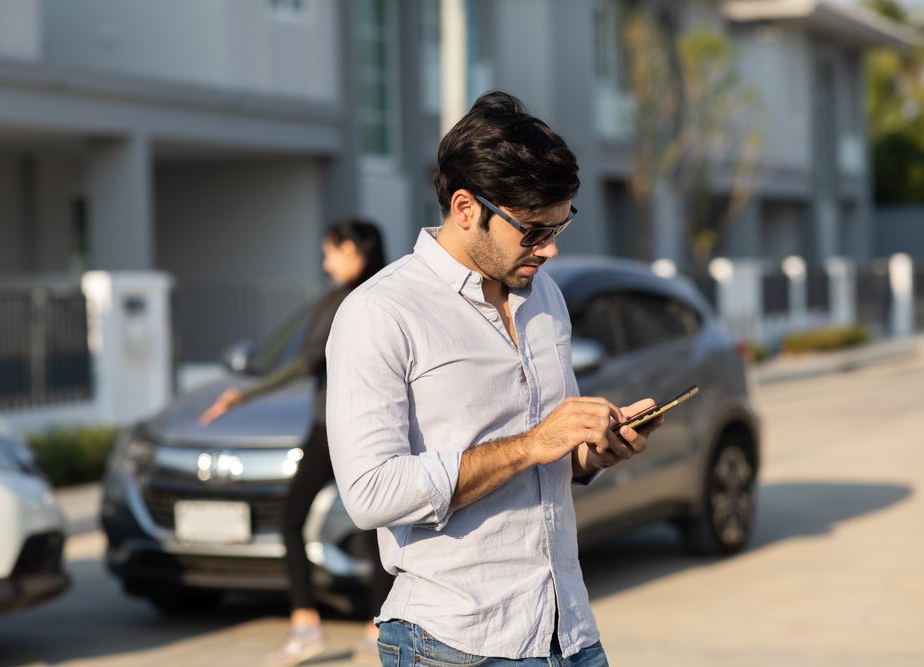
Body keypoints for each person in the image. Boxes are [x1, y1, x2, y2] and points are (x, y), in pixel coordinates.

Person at [325, 91, 664, 667]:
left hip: (569, 630)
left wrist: (592, 455)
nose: (550, 249)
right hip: (454, 643)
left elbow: (550, 457)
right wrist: (532, 445)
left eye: (560, 226)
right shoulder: (380, 313)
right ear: (464, 208)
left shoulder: (544, 294)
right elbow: (369, 493)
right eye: (533, 230)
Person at [198, 218, 392, 667]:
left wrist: (242, 394)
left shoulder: (354, 301)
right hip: (335, 424)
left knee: (335, 521)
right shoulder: (360, 295)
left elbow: (306, 362)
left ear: (353, 250)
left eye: (330, 252)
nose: (325, 262)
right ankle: (355, 623)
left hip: (341, 427)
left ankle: (322, 625)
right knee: (370, 523)